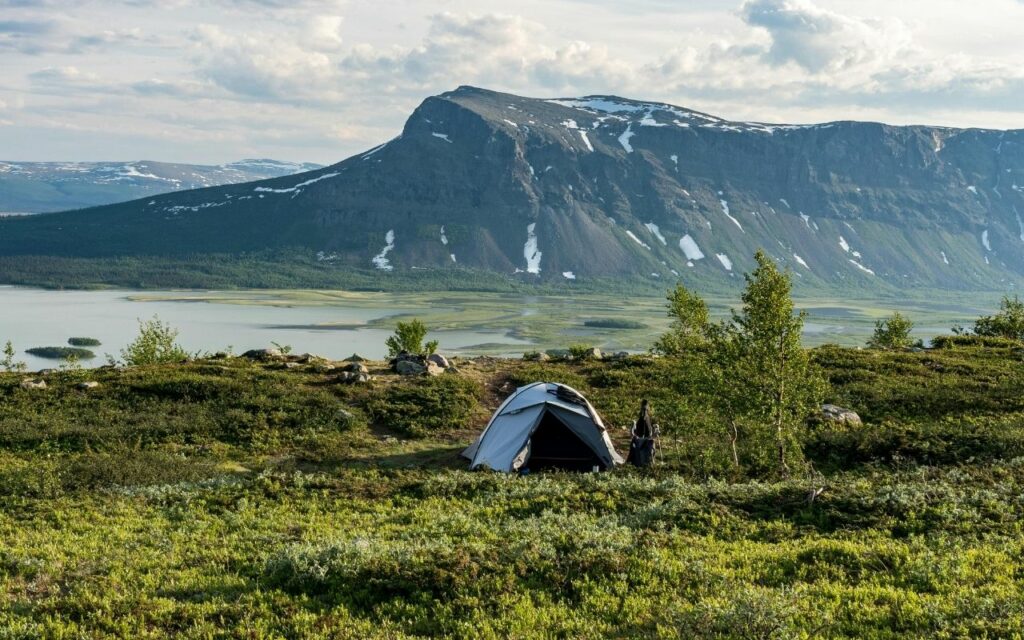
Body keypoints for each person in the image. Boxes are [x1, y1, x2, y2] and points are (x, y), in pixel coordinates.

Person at [628, 399, 658, 467]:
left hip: (645, 441)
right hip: (642, 441)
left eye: (645, 410)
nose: (644, 411)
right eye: (643, 409)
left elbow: (648, 432)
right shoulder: (644, 418)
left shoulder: (646, 419)